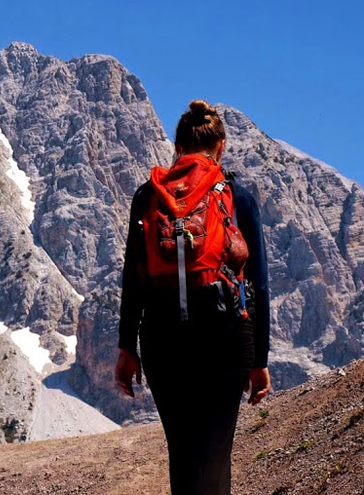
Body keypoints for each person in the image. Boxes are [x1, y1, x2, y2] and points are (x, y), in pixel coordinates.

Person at [115, 99, 271, 495]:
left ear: (177, 147)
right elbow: (259, 284)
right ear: (219, 148)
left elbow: (133, 279)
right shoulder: (238, 196)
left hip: (163, 339)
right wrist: (260, 359)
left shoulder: (147, 198)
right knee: (215, 452)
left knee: (182, 454)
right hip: (225, 336)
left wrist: (126, 348)